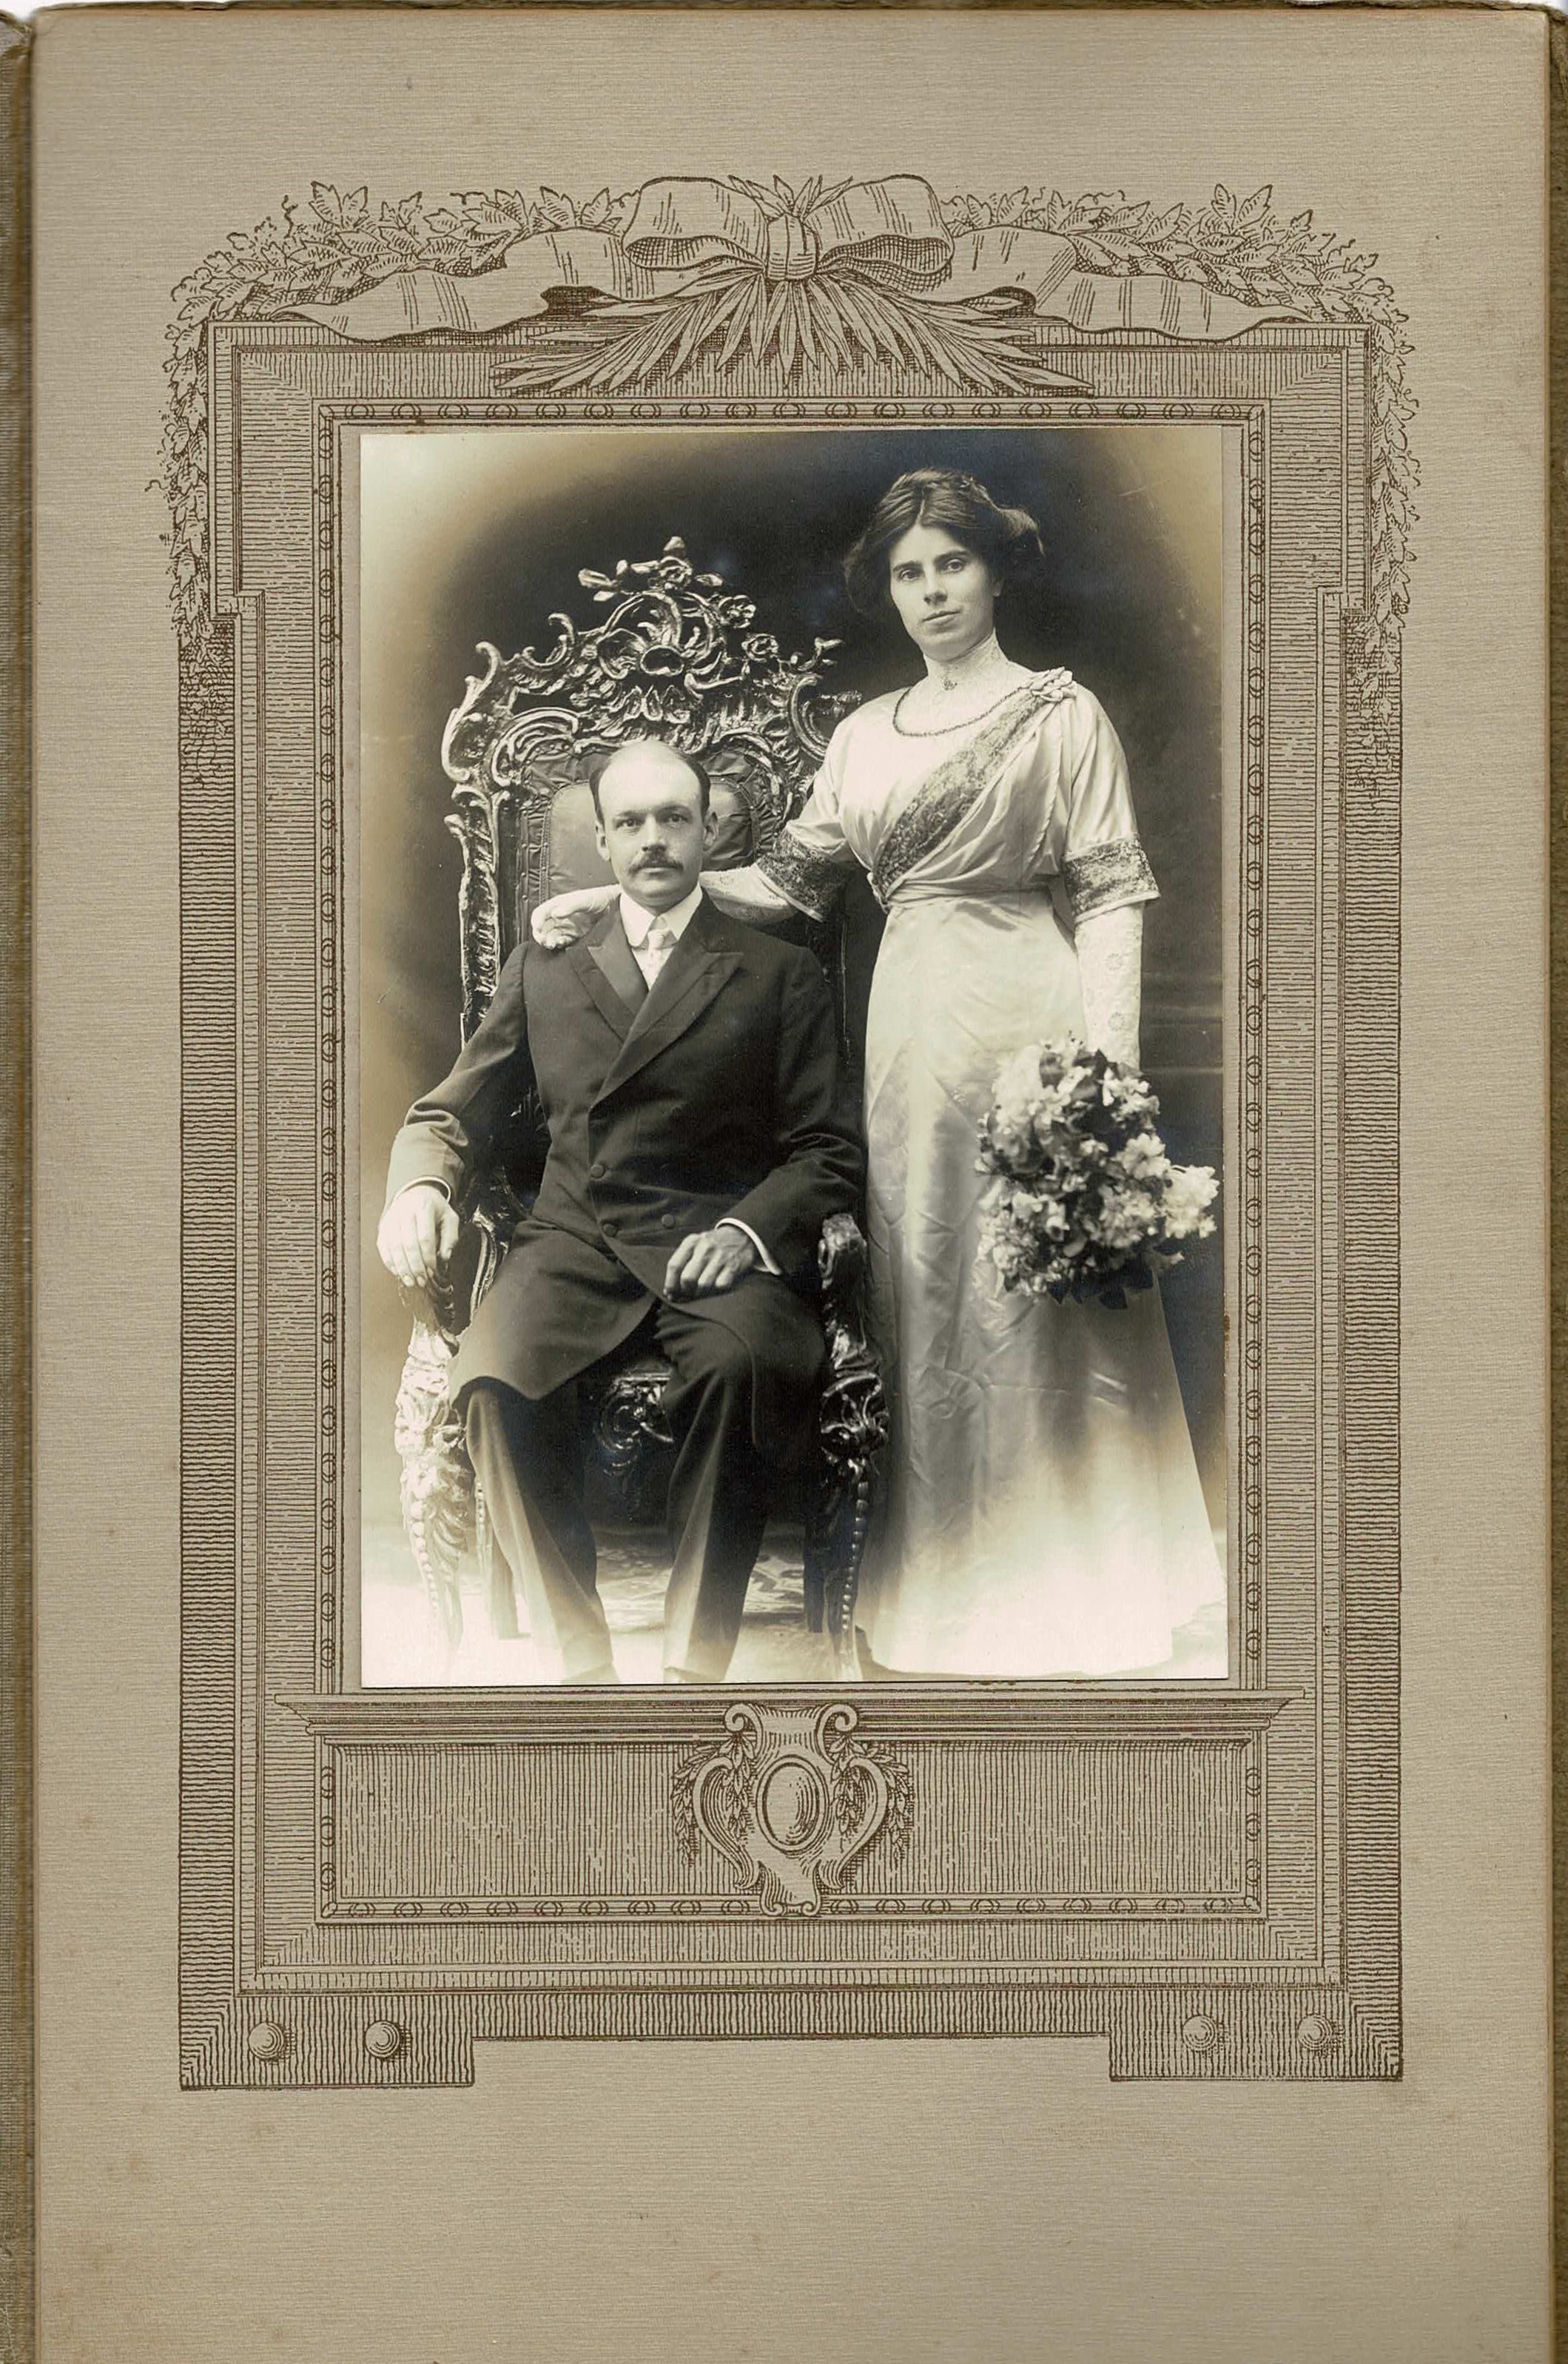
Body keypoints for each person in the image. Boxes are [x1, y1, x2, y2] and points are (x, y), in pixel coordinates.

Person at [534, 471, 1227, 1679]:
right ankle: (942, 1590)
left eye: (951, 564)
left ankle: (1081, 1582)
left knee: (1042, 1287)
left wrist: (1102, 1088)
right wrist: (617, 893)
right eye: (908, 573)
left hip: (1030, 1016)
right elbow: (784, 886)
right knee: (933, 1283)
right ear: (889, 591)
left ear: (995, 572)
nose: (931, 591)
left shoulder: (1061, 714)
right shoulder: (862, 736)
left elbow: (1111, 895)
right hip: (908, 1030)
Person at [379, 736, 861, 1685]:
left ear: (707, 833)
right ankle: (581, 1666)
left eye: (674, 818)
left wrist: (745, 1231)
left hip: (716, 1241)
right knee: (492, 1381)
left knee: (741, 1367)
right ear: (601, 841)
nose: (653, 840)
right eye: (630, 822)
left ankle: (693, 1666)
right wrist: (421, 1185)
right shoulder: (545, 965)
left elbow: (828, 1149)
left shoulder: (777, 972)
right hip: (574, 1240)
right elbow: (448, 1111)